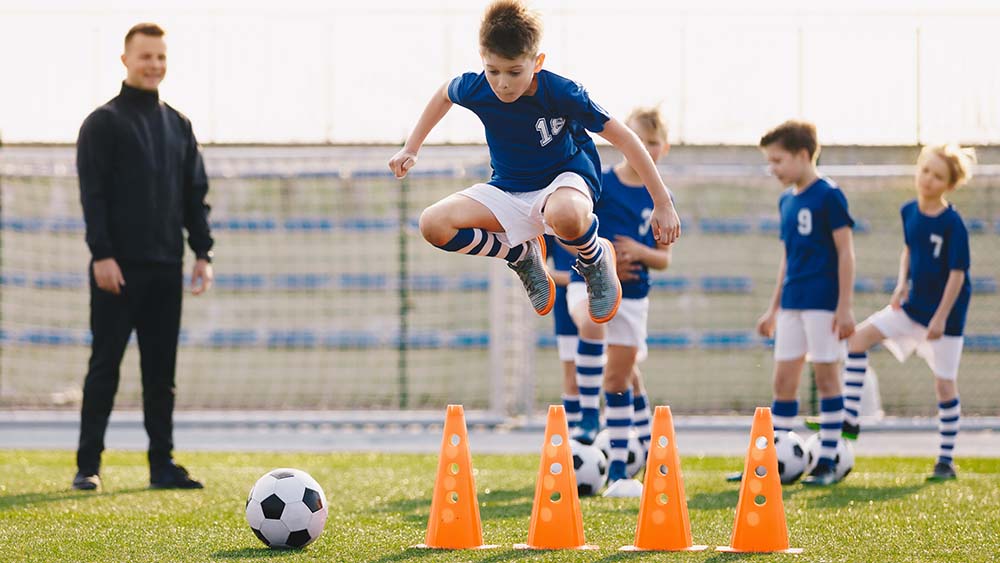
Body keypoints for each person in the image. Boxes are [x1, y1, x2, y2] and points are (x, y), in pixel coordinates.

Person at [388, 0, 680, 331]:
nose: (502, 83)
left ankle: (595, 256)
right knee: (433, 224)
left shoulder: (562, 92)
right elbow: (444, 94)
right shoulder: (476, 87)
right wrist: (412, 148)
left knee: (565, 216)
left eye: (514, 72)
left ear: (537, 62)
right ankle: (521, 255)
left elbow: (626, 139)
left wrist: (663, 202)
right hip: (510, 186)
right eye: (492, 70)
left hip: (565, 180)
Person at [73, 22, 214, 491]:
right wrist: (102, 255)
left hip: (165, 266)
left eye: (160, 57)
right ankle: (87, 466)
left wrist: (201, 252)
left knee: (161, 374)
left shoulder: (178, 125)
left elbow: (195, 193)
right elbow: (93, 195)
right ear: (126, 60)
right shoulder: (102, 123)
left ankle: (162, 465)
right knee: (104, 367)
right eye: (145, 56)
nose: (154, 64)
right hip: (117, 269)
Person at [825, 144, 974, 481]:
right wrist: (901, 284)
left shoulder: (953, 224)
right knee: (858, 339)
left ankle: (945, 460)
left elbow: (958, 274)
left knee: (944, 386)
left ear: (949, 184)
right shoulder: (909, 211)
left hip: (945, 320)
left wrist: (939, 318)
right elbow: (909, 250)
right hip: (911, 308)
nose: (929, 180)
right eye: (925, 171)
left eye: (938, 177)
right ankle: (850, 417)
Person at [729, 120, 856, 486]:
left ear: (803, 155)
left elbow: (846, 252)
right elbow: (788, 259)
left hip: (823, 305)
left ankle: (828, 459)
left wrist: (844, 306)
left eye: (778, 161)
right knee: (783, 382)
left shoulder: (830, 195)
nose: (773, 169)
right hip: (792, 305)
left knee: (827, 378)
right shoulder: (786, 201)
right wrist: (773, 307)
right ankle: (771, 459)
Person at [566, 107, 673, 497]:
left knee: (619, 381)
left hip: (634, 299)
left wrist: (640, 254)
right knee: (591, 322)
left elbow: (664, 258)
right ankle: (587, 417)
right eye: (640, 141)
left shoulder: (661, 196)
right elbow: (572, 228)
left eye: (655, 143)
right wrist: (606, 255)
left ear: (665, 147)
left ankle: (617, 472)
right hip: (589, 283)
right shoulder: (603, 184)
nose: (647, 149)